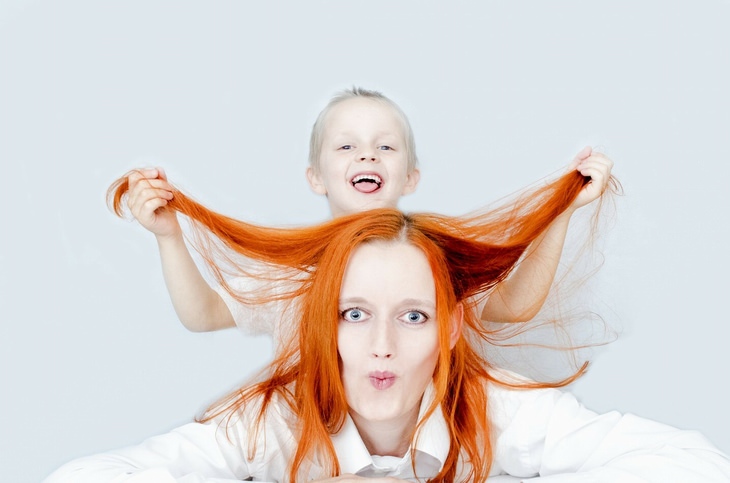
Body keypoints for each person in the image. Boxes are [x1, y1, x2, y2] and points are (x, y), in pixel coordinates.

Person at [45, 168, 730, 482]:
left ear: (451, 328)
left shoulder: (495, 408)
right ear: (326, 327)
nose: (381, 345)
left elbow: (694, 467)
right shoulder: (274, 419)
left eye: (412, 316)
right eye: (354, 314)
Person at [122, 87, 614, 343]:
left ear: (410, 177)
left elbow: (514, 306)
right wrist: (169, 237)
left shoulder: (434, 259)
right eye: (346, 146)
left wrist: (562, 213)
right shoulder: (291, 268)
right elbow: (203, 316)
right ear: (316, 177)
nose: (367, 156)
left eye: (385, 146)